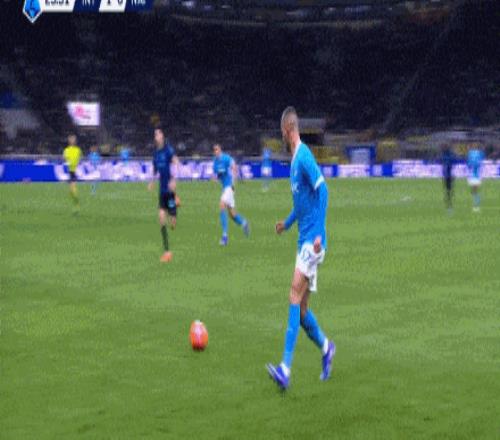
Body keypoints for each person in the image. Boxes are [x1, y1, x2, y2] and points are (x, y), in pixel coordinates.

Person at [267, 107, 335, 390]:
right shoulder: (295, 160)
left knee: (293, 293)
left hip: (312, 241)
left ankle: (285, 368)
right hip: (303, 239)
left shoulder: (304, 156)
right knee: (303, 310)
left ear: (287, 130)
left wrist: (318, 233)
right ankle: (327, 347)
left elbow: (323, 190)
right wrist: (286, 223)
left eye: (281, 132)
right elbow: (301, 204)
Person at [148, 127, 179, 262]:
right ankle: (167, 252)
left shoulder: (168, 150)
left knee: (173, 222)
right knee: (161, 218)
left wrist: (174, 179)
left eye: (158, 134)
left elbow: (177, 163)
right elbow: (155, 170)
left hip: (170, 191)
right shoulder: (155, 154)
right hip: (162, 191)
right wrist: (152, 181)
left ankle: (175, 209)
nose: (156, 136)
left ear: (162, 136)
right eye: (155, 134)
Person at [212, 143, 250, 246]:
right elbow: (217, 175)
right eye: (214, 150)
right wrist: (215, 178)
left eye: (217, 149)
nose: (216, 152)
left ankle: (225, 237)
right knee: (232, 214)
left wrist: (234, 181)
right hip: (225, 188)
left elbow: (233, 166)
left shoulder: (226, 158)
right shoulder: (215, 162)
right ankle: (244, 223)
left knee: (221, 205)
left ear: (220, 150)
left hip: (229, 187)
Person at [63, 134, 82, 214]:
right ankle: (76, 204)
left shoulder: (78, 150)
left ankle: (77, 205)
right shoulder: (66, 150)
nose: (72, 141)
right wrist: (69, 162)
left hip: (73, 171)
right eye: (71, 139)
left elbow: (78, 159)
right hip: (70, 171)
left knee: (72, 189)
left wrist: (72, 162)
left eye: (73, 139)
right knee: (71, 191)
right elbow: (66, 159)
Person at [467, 146, 484, 212]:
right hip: (477, 177)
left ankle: (476, 206)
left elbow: (469, 166)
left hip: (474, 177)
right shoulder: (478, 160)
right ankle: (476, 204)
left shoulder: (473, 161)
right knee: (474, 191)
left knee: (474, 191)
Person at [440, 144, 456, 212]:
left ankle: (448, 203)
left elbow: (444, 164)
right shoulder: (449, 156)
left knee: (448, 190)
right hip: (448, 175)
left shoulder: (444, 156)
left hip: (447, 175)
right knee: (449, 190)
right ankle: (449, 204)